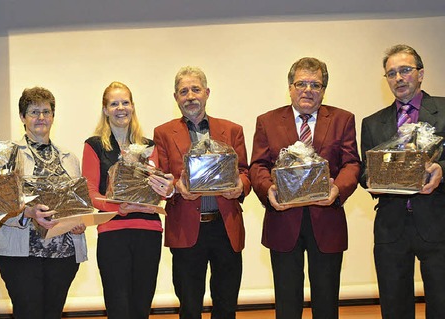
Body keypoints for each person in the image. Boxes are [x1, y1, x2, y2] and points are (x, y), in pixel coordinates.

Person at [249, 57, 360, 319]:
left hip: (327, 220)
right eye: (301, 83)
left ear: (324, 89)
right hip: (283, 220)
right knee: (287, 305)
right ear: (290, 87)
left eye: (315, 85)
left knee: (326, 303)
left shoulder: (343, 119)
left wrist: (337, 190)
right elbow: (257, 166)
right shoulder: (267, 121)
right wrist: (268, 192)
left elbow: (352, 163)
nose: (308, 90)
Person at [153, 66, 250, 319]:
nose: (190, 96)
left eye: (195, 89)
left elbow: (245, 172)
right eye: (183, 91)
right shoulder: (163, 133)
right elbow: (162, 176)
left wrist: (240, 185)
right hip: (186, 229)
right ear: (176, 98)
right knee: (189, 306)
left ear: (207, 93)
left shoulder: (232, 130)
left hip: (225, 228)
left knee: (227, 305)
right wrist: (176, 186)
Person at [0, 87, 87, 319]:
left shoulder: (69, 158)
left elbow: (77, 202)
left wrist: (78, 221)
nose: (41, 117)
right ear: (22, 117)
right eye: (34, 112)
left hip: (63, 254)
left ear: (53, 116)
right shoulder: (6, 155)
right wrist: (28, 212)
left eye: (46, 111)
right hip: (21, 253)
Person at [360, 45, 445, 319]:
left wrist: (441, 169)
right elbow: (364, 171)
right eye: (391, 73)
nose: (399, 78)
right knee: (394, 307)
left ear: (420, 74)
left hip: (439, 223)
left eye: (405, 70)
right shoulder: (372, 123)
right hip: (391, 228)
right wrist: (370, 179)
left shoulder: (444, 110)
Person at [82, 81, 175, 319]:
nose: (120, 108)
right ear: (105, 110)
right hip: (113, 232)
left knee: (142, 306)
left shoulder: (148, 146)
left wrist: (165, 188)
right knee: (118, 306)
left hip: (149, 231)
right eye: (114, 104)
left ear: (132, 107)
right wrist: (116, 206)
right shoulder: (94, 146)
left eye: (125, 102)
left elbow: (157, 189)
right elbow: (90, 191)